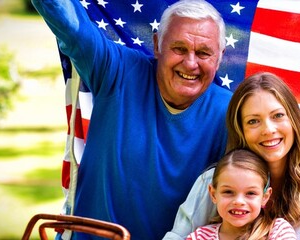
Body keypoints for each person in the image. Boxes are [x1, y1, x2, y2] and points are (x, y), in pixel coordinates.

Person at [31, 0, 233, 238]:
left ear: (220, 57)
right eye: (179, 48)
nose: (190, 63)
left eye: (203, 53)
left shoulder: (232, 113)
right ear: (157, 44)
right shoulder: (117, 70)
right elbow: (68, 23)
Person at [165, 72, 300, 240]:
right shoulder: (212, 181)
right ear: (241, 130)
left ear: (294, 120)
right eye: (253, 121)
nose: (268, 130)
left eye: (278, 116)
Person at [187, 149, 296, 240]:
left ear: (265, 197)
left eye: (250, 193)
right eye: (228, 192)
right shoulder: (199, 236)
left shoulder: (278, 231)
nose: (239, 201)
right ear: (213, 194)